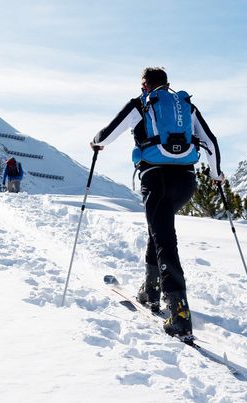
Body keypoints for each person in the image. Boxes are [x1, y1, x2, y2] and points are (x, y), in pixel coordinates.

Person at [90, 67, 222, 340]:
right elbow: (211, 141)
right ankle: (150, 290)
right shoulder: (186, 106)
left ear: (146, 85)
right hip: (186, 182)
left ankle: (179, 315)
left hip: (156, 178)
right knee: (158, 229)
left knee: (164, 240)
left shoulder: (141, 103)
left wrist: (96, 143)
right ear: (167, 84)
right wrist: (216, 174)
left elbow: (107, 134)